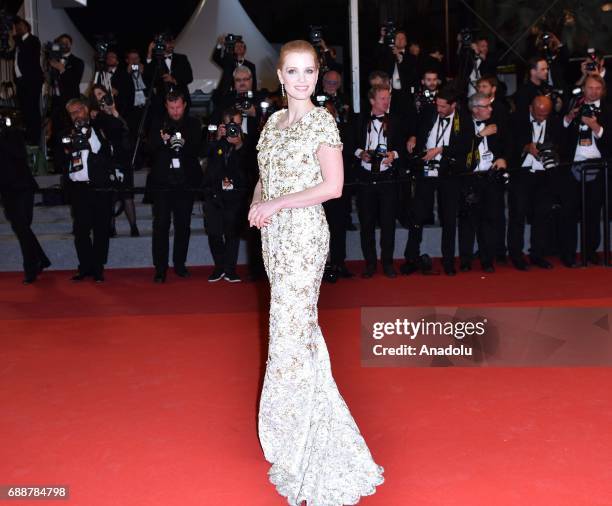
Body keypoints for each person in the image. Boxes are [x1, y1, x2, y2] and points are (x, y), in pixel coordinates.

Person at [249, 40, 384, 505]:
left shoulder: (322, 122)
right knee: (289, 330)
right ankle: (289, 424)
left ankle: (306, 431)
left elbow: (334, 186)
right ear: (281, 76)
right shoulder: (271, 122)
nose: (303, 79)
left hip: (304, 236)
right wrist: (256, 204)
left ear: (316, 74)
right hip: (274, 239)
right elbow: (265, 173)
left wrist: (277, 204)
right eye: (294, 71)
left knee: (291, 327)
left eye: (310, 71)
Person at [148, 91, 202, 283]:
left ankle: (180, 264)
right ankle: (160, 268)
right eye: (172, 108)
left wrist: (185, 145)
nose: (175, 111)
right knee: (160, 225)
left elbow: (199, 148)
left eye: (178, 107)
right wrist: (162, 140)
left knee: (183, 225)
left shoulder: (193, 123)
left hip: (185, 182)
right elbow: (149, 150)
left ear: (184, 105)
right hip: (163, 182)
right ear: (166, 106)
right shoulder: (157, 123)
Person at [0, 118, 51, 284]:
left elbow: (19, 154)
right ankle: (39, 260)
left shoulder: (12, 133)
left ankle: (32, 266)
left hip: (22, 187)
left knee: (22, 227)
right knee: (21, 228)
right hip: (6, 190)